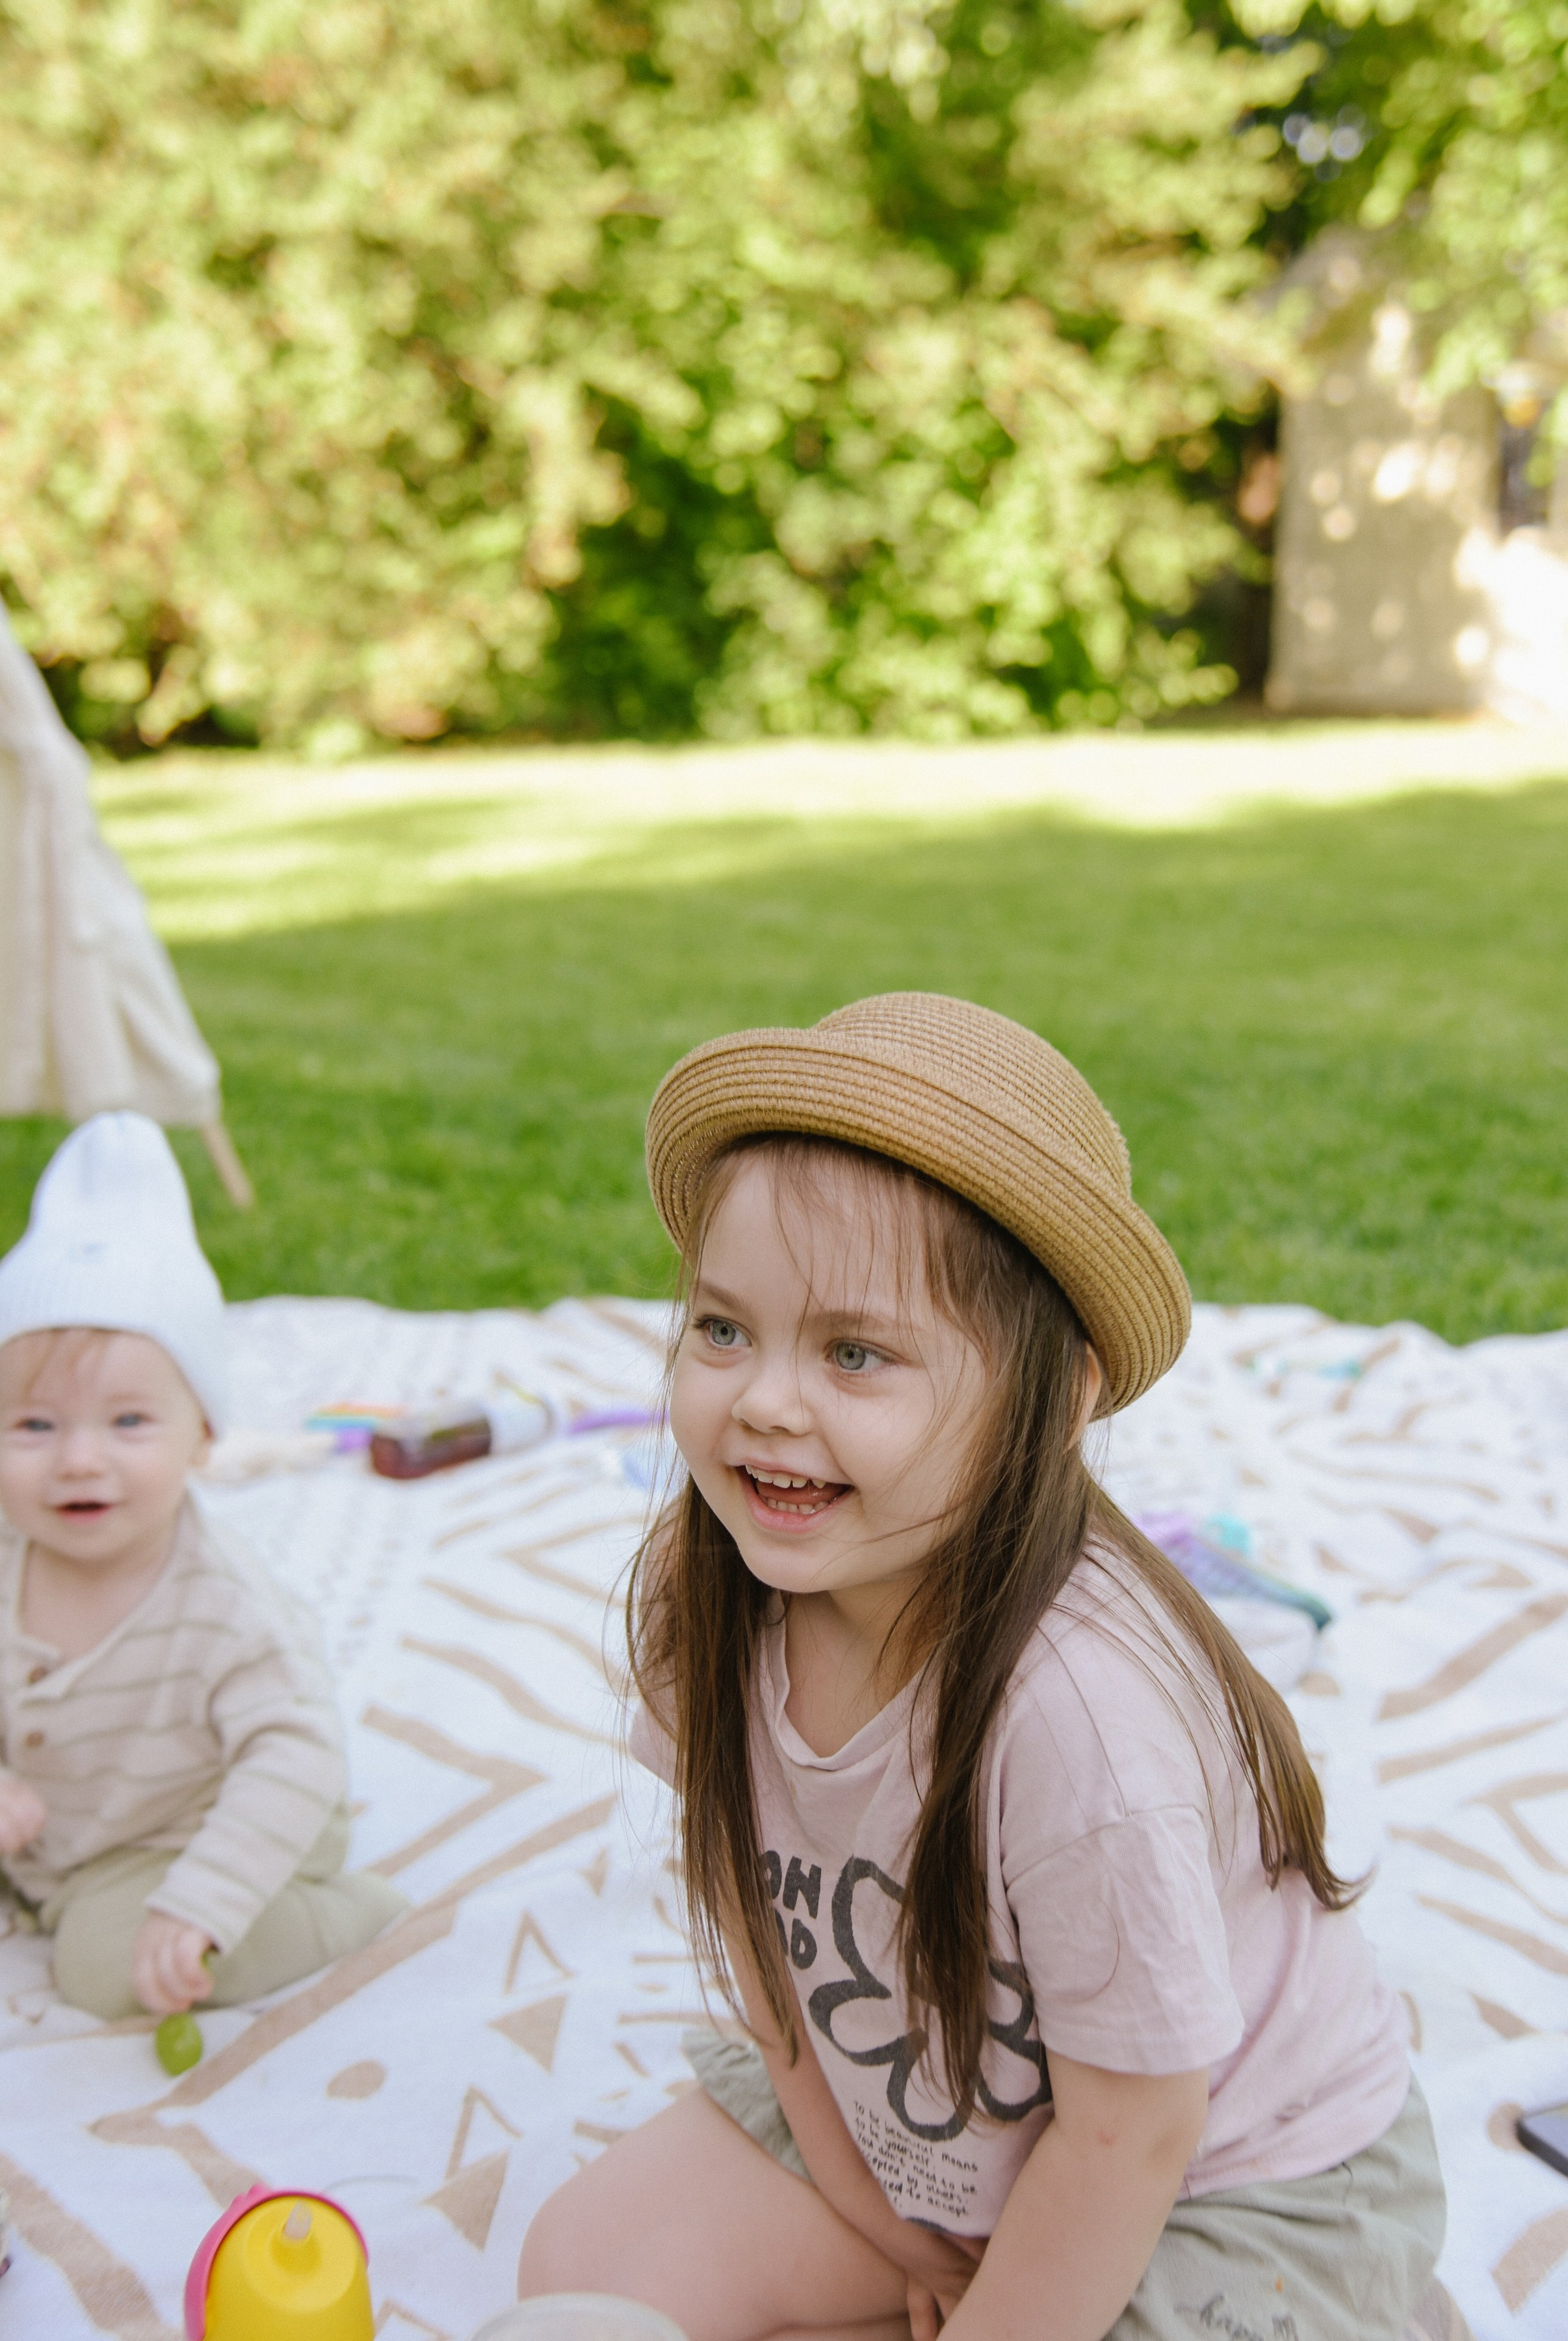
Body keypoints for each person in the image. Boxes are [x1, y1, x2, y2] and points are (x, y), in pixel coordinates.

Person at [519, 994, 1452, 2341]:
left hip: (1226, 2185)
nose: (765, 1400)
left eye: (853, 1351)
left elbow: (1132, 2137)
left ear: (1053, 1400)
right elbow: (763, 1937)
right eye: (723, 1330)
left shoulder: (1080, 1721)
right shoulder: (710, 1587)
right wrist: (880, 2219)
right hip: (931, 2127)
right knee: (582, 2264)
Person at [0, 1112, 406, 2022]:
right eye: (34, 1425)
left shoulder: (223, 1608)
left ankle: (336, 1913)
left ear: (205, 1438)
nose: (78, 1459)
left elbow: (294, 1750)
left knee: (107, 1966)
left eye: (129, 1423)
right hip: (65, 1819)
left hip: (207, 1822)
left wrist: (201, 1902)